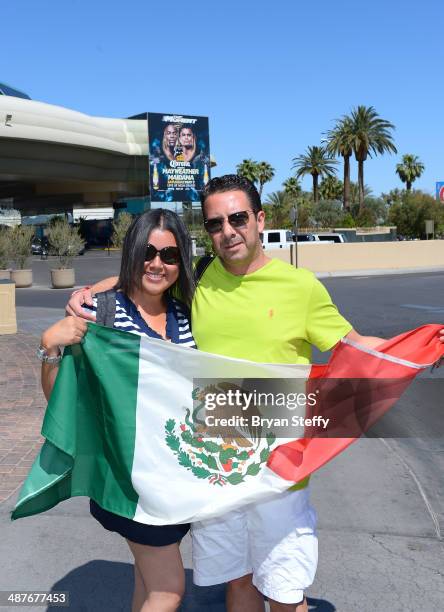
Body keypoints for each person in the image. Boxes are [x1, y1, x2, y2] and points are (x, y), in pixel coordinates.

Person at [66, 175, 444, 612]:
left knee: (284, 593)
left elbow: (354, 346)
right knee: (238, 585)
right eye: (214, 224)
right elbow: (147, 272)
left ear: (259, 219)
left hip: (279, 468)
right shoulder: (200, 278)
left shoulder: (299, 287)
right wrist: (84, 294)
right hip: (214, 465)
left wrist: (422, 346)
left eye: (238, 218)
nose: (227, 231)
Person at [40, 209, 195, 612]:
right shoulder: (98, 314)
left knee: (147, 581)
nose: (157, 263)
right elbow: (60, 396)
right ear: (131, 252)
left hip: (176, 477)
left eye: (170, 255)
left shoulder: (186, 313)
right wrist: (50, 347)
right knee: (168, 589)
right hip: (129, 480)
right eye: (147, 251)